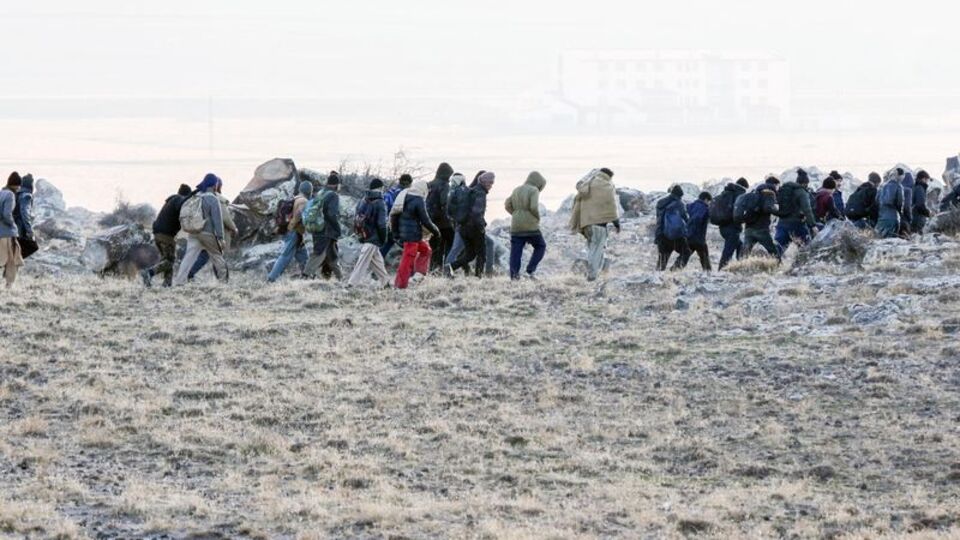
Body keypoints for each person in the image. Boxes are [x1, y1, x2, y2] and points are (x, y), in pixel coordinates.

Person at [173, 174, 228, 285]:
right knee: (217, 256)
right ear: (214, 185)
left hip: (194, 233)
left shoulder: (197, 196)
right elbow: (217, 220)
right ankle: (223, 282)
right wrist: (221, 238)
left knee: (188, 258)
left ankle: (179, 281)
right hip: (207, 233)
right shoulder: (213, 199)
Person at [568, 168, 620, 281]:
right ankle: (592, 275)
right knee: (596, 250)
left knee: (592, 248)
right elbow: (611, 206)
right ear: (609, 176)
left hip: (586, 224)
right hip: (599, 226)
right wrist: (617, 223)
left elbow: (579, 193)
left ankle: (594, 273)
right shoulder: (607, 186)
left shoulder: (589, 182)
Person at [187, 177, 239, 280]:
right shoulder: (218, 199)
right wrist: (234, 228)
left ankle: (190, 273)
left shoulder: (202, 196)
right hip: (215, 235)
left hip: (203, 232)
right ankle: (223, 280)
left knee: (205, 256)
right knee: (218, 257)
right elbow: (225, 218)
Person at [141, 183, 191, 287]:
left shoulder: (171, 201)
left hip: (158, 234)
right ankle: (149, 273)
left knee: (167, 259)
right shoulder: (178, 199)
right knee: (170, 261)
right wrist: (192, 196)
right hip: (166, 236)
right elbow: (182, 202)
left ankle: (167, 284)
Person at [393, 180, 440, 289]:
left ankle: (419, 275)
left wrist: (396, 234)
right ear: (423, 190)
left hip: (408, 233)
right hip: (411, 236)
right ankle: (400, 285)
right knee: (407, 261)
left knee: (426, 250)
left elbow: (395, 215)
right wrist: (436, 231)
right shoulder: (418, 199)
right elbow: (425, 220)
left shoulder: (404, 196)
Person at [448, 171, 495, 278]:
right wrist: (482, 226)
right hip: (474, 228)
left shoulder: (471, 191)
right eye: (490, 183)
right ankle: (478, 277)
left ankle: (451, 266)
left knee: (470, 255)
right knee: (481, 254)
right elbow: (477, 213)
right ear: (485, 182)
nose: (491, 186)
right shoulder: (480, 193)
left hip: (464, 227)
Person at [346, 178, 390, 288]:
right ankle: (351, 284)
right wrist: (383, 238)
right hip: (373, 237)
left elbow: (356, 218)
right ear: (380, 188)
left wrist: (360, 235)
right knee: (362, 262)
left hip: (364, 235)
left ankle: (386, 283)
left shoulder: (363, 200)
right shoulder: (380, 202)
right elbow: (381, 224)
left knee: (377, 261)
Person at [266, 180, 313, 282]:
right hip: (294, 232)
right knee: (285, 256)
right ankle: (271, 279)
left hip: (294, 233)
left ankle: (308, 276)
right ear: (309, 191)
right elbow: (299, 214)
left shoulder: (295, 197)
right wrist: (292, 226)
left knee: (303, 255)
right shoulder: (303, 201)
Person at [505, 171, 547, 280]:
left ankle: (514, 275)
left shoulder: (517, 189)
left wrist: (516, 213)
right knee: (540, 246)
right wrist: (537, 217)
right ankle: (530, 269)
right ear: (538, 183)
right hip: (530, 225)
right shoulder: (534, 190)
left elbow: (507, 204)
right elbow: (533, 207)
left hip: (516, 225)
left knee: (515, 251)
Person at [303, 173, 344, 280]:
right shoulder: (333, 195)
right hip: (327, 230)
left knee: (332, 255)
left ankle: (340, 278)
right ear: (336, 185)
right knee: (319, 254)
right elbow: (332, 214)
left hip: (318, 228)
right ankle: (305, 276)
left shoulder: (321, 192)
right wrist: (337, 229)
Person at [774, 170, 817, 255]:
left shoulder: (785, 190)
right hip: (796, 224)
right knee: (807, 248)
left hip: (782, 223)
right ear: (805, 183)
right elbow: (807, 209)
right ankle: (803, 266)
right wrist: (813, 225)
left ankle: (772, 265)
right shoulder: (802, 192)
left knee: (778, 248)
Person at [742, 177, 781, 261]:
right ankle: (781, 268)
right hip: (761, 228)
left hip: (748, 228)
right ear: (774, 184)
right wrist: (777, 210)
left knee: (745, 253)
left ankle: (738, 269)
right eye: (778, 186)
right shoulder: (770, 193)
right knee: (773, 251)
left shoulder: (754, 192)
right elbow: (768, 208)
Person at [446, 171, 477, 274]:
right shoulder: (462, 191)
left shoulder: (451, 191)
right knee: (457, 249)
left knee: (458, 249)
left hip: (457, 223)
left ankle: (459, 269)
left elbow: (449, 211)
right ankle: (448, 269)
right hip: (464, 224)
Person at [426, 163, 455, 270]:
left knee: (435, 246)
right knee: (453, 243)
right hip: (443, 221)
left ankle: (434, 269)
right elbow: (444, 203)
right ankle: (448, 266)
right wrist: (451, 217)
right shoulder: (444, 185)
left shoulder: (429, 184)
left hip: (430, 220)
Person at [655, 185, 691, 271]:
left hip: (662, 234)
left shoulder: (660, 203)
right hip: (676, 236)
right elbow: (686, 219)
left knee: (662, 261)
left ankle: (657, 279)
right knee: (686, 253)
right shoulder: (679, 204)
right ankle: (674, 270)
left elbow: (659, 218)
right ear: (680, 195)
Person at [717, 178, 749, 270]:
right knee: (728, 251)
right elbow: (740, 211)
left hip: (722, 226)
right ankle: (722, 270)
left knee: (740, 246)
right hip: (732, 227)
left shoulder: (726, 192)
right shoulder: (739, 194)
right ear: (744, 186)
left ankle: (741, 266)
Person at [380, 174, 413, 260]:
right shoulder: (403, 193)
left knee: (388, 243)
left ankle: (375, 267)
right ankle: (411, 270)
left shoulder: (391, 191)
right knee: (409, 246)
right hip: (396, 224)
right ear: (407, 183)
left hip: (386, 221)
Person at [0, 172, 23, 288]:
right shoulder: (10, 195)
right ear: (16, 185)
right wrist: (13, 225)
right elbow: (7, 214)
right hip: (7, 234)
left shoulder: (1, 193)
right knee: (12, 260)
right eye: (19, 186)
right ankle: (9, 285)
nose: (19, 189)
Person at [681, 191, 712, 271]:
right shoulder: (703, 207)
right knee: (704, 255)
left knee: (685, 255)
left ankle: (674, 270)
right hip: (698, 237)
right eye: (709, 201)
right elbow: (697, 219)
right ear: (705, 199)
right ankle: (708, 272)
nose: (709, 203)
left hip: (688, 235)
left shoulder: (690, 206)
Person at [14, 173, 37, 259]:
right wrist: (30, 231)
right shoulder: (26, 196)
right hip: (20, 228)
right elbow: (25, 214)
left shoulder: (17, 194)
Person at [875, 169, 904, 239]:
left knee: (879, 241)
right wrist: (900, 212)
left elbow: (876, 201)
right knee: (890, 242)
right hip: (892, 218)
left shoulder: (881, 187)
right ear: (899, 176)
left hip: (881, 218)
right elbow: (900, 202)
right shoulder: (898, 186)